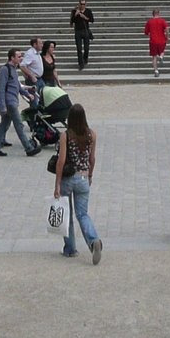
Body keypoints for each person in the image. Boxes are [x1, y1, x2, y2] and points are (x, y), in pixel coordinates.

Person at [54, 103, 103, 263]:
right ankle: (93, 240)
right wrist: (90, 174)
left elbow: (61, 161)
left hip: (68, 178)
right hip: (83, 177)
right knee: (83, 214)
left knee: (67, 215)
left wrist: (57, 183)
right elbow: (92, 158)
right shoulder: (91, 135)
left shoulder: (66, 135)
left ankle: (70, 249)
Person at [0, 49, 40, 157]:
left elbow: (17, 86)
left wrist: (28, 94)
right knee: (19, 124)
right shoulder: (5, 69)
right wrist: (3, 105)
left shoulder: (13, 69)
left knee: (4, 124)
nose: (21, 58)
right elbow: (1, 88)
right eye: (18, 56)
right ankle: (29, 148)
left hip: (12, 100)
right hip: (10, 102)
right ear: (12, 58)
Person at [70, 0, 95, 71]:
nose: (82, 6)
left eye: (84, 4)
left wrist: (85, 18)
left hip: (85, 31)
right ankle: (81, 64)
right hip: (78, 31)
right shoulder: (75, 11)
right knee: (79, 48)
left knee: (86, 48)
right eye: (81, 4)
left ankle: (85, 58)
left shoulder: (88, 11)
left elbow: (92, 20)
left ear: (86, 4)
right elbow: (72, 21)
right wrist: (75, 14)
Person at [145, 8, 168, 77]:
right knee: (162, 51)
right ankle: (161, 57)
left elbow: (146, 32)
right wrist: (167, 35)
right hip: (162, 40)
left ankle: (156, 71)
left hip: (153, 41)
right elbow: (167, 28)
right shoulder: (162, 21)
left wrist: (151, 34)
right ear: (158, 14)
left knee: (154, 56)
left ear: (153, 14)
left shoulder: (149, 22)